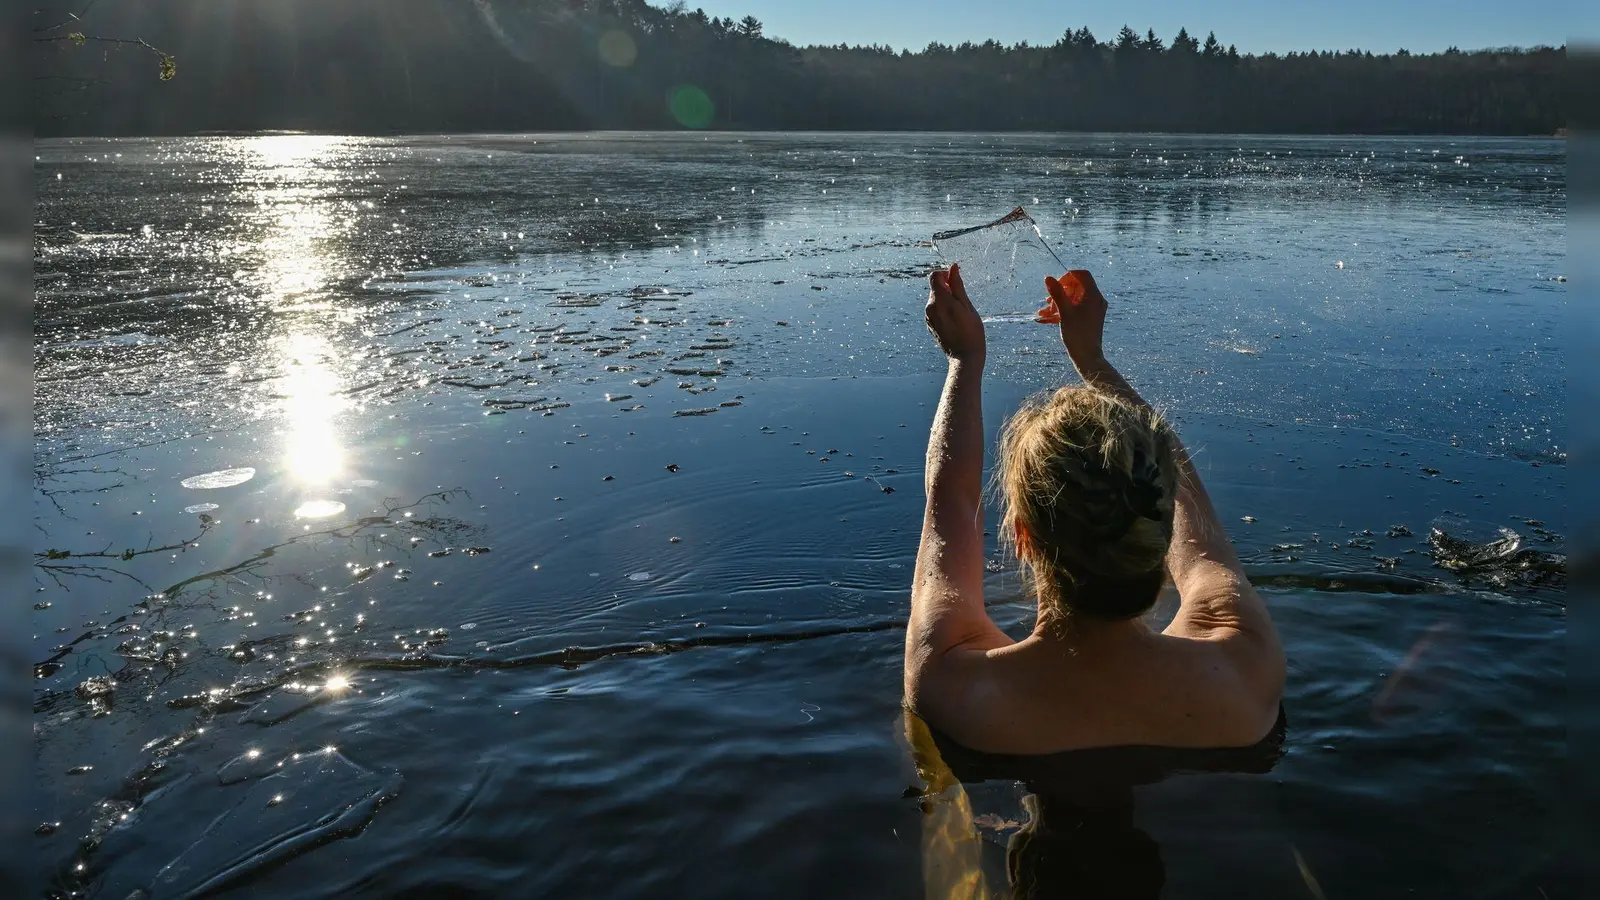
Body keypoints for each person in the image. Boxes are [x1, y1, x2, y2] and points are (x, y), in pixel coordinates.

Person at [906, 264, 1285, 754]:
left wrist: (964, 360)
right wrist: (1091, 358)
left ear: (1023, 536)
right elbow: (1188, 505)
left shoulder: (955, 684)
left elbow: (950, 502)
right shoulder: (1245, 667)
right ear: (1163, 527)